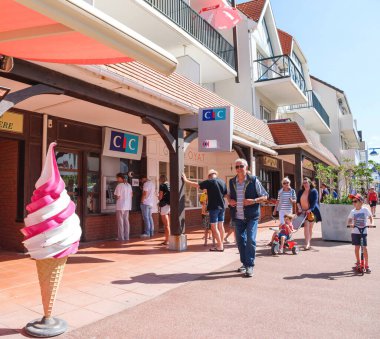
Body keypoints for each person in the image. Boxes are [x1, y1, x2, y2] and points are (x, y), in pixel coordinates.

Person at [227, 158, 268, 277]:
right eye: (237, 167)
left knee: (251, 239)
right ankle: (244, 263)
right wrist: (230, 200)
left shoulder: (253, 180)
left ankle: (249, 265)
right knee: (240, 242)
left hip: (252, 216)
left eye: (241, 166)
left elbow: (265, 196)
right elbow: (228, 195)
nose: (239, 169)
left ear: (246, 167)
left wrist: (254, 200)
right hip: (238, 217)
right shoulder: (232, 182)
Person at [182, 169, 227, 252]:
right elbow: (225, 194)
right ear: (215, 174)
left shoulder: (210, 181)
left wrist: (186, 180)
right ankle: (221, 244)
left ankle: (220, 246)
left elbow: (196, 185)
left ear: (209, 176)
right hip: (222, 207)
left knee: (214, 227)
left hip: (214, 208)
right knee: (221, 226)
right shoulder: (222, 182)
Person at [347, 193, 373, 273]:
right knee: (357, 247)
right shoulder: (353, 211)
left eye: (355, 201)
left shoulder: (365, 210)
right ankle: (358, 262)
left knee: (364, 248)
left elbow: (370, 217)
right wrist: (350, 224)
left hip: (363, 231)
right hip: (355, 232)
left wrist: (371, 223)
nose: (353, 203)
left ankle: (366, 265)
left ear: (361, 202)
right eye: (353, 201)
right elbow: (349, 219)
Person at [296, 177, 322, 250]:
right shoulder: (300, 191)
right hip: (303, 212)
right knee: (306, 227)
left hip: (312, 212)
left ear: (310, 183)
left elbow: (314, 202)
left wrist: (310, 209)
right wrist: (300, 208)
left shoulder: (314, 191)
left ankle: (308, 242)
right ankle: (307, 243)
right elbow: (298, 201)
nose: (305, 184)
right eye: (304, 183)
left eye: (306, 182)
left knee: (310, 227)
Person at [114, 173, 133, 241]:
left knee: (120, 222)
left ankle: (121, 237)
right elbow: (132, 195)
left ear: (120, 178)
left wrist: (115, 198)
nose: (117, 179)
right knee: (126, 221)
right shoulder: (129, 185)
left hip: (120, 205)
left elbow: (117, 196)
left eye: (117, 178)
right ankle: (127, 237)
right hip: (127, 206)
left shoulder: (119, 185)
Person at [158, 175, 170, 245]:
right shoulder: (169, 185)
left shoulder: (162, 185)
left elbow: (160, 197)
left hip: (164, 205)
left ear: (161, 179)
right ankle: (169, 239)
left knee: (166, 225)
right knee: (168, 224)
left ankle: (167, 240)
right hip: (170, 205)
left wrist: (158, 197)